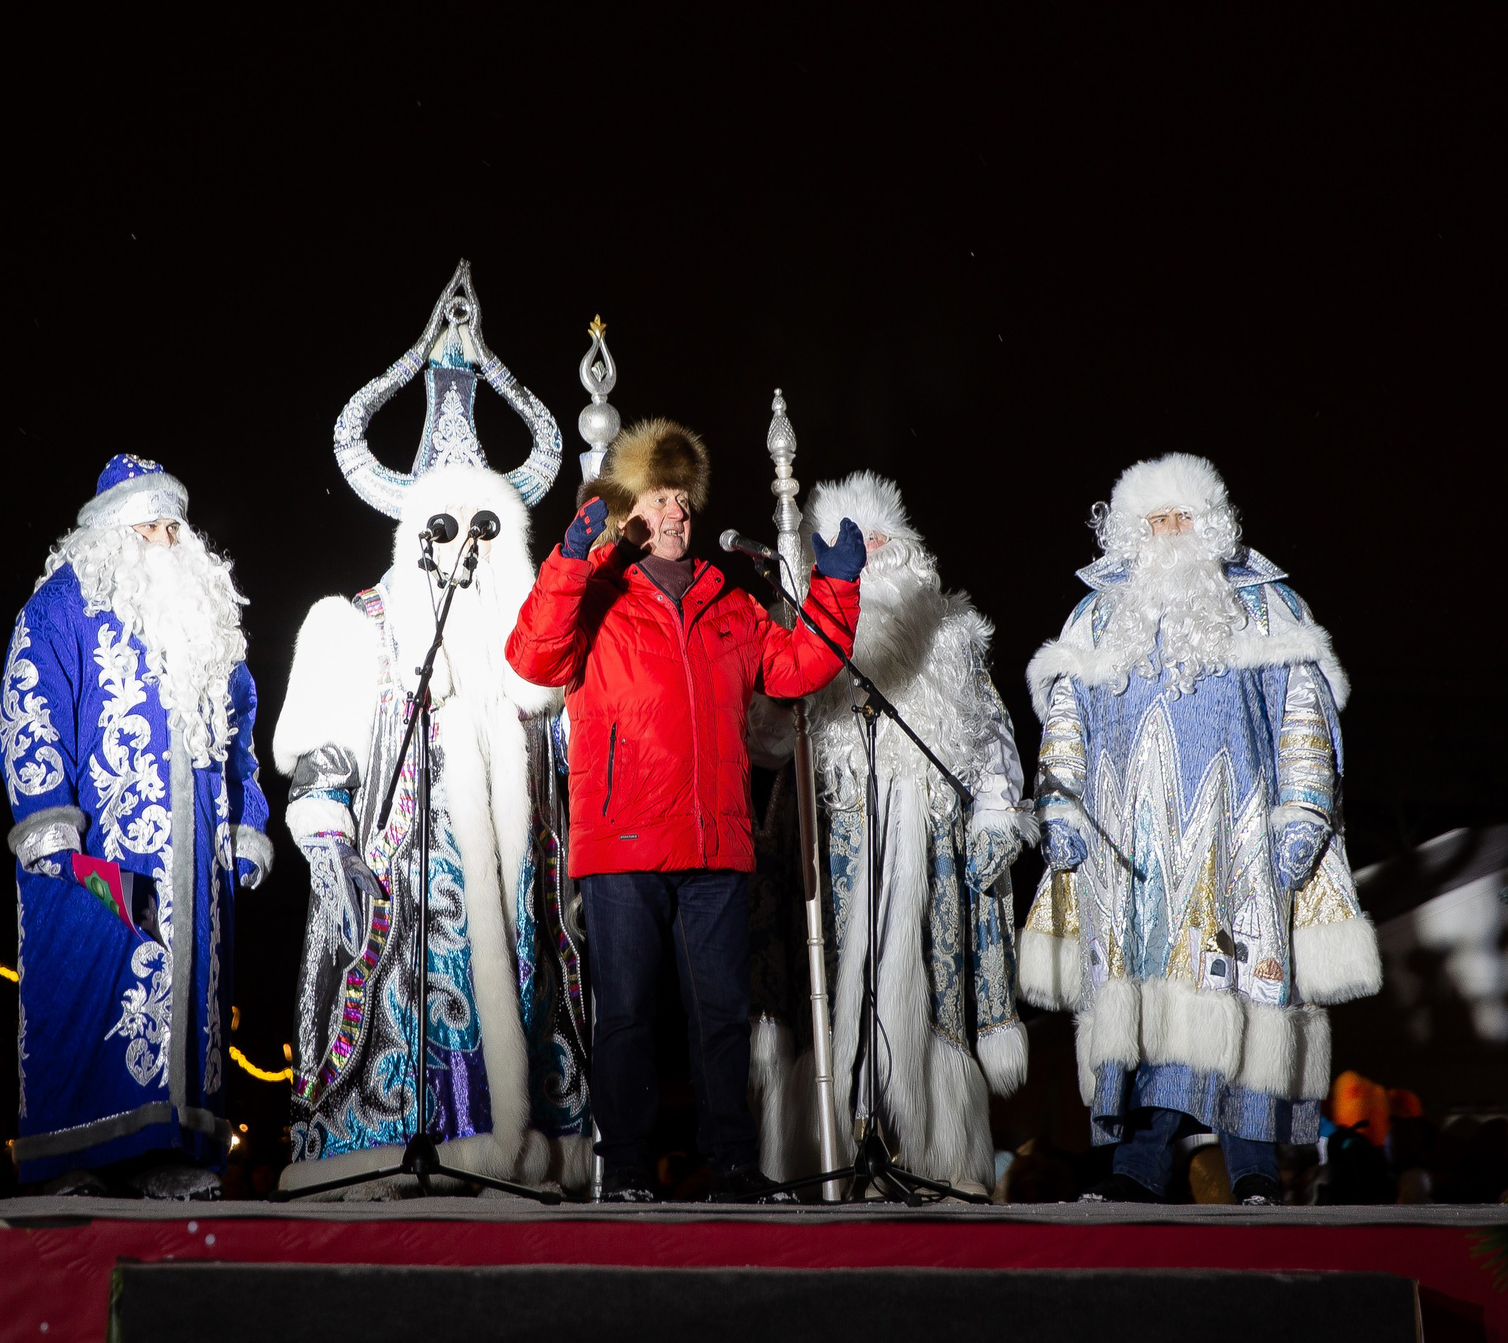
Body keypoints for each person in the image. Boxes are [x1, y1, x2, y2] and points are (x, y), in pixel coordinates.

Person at [506, 417, 865, 1203]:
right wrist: (573, 559)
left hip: (715, 844)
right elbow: (531, 655)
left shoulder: (729, 603)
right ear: (630, 510)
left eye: (684, 502)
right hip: (624, 840)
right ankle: (628, 1167)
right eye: (661, 500)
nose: (676, 514)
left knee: (722, 1020)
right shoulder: (596, 597)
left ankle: (731, 1165)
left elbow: (798, 667)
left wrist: (836, 590)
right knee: (628, 1018)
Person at [1019, 453, 1379, 1205]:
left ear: (1209, 521)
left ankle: (1253, 1173)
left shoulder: (1266, 604)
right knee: (1142, 1015)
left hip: (1239, 847)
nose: (1170, 534)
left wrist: (1306, 810)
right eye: (1155, 522)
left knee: (1243, 1008)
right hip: (1131, 861)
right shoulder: (1094, 615)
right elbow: (1065, 724)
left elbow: (1305, 716)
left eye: (1182, 518)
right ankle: (1137, 1171)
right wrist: (1058, 806)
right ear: (1127, 531)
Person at [275, 462, 590, 1195]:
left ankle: (524, 1149)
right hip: (408, 876)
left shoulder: (535, 650)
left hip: (523, 878)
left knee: (524, 991)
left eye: (486, 529)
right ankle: (408, 1143)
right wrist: (328, 840)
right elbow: (325, 755)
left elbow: (583, 745)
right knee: (419, 1001)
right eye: (447, 529)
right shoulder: (364, 626)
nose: (465, 551)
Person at [0, 453, 266, 1200]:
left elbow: (240, 733)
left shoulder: (206, 622)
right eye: (151, 522)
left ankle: (170, 1150)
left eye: (174, 522)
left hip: (195, 861)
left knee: (186, 1002)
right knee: (87, 993)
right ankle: (69, 1156)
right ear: (113, 532)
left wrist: (247, 824)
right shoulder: (61, 606)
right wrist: (46, 817)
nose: (168, 536)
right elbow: (31, 705)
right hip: (98, 858)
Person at [781, 471, 1031, 1195]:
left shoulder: (950, 633)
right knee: (837, 995)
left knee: (932, 985)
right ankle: (838, 1142)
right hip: (843, 833)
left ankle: (937, 1153)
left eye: (882, 541)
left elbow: (990, 735)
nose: (874, 556)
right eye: (855, 546)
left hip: (929, 833)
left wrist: (995, 811)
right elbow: (771, 735)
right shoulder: (807, 627)